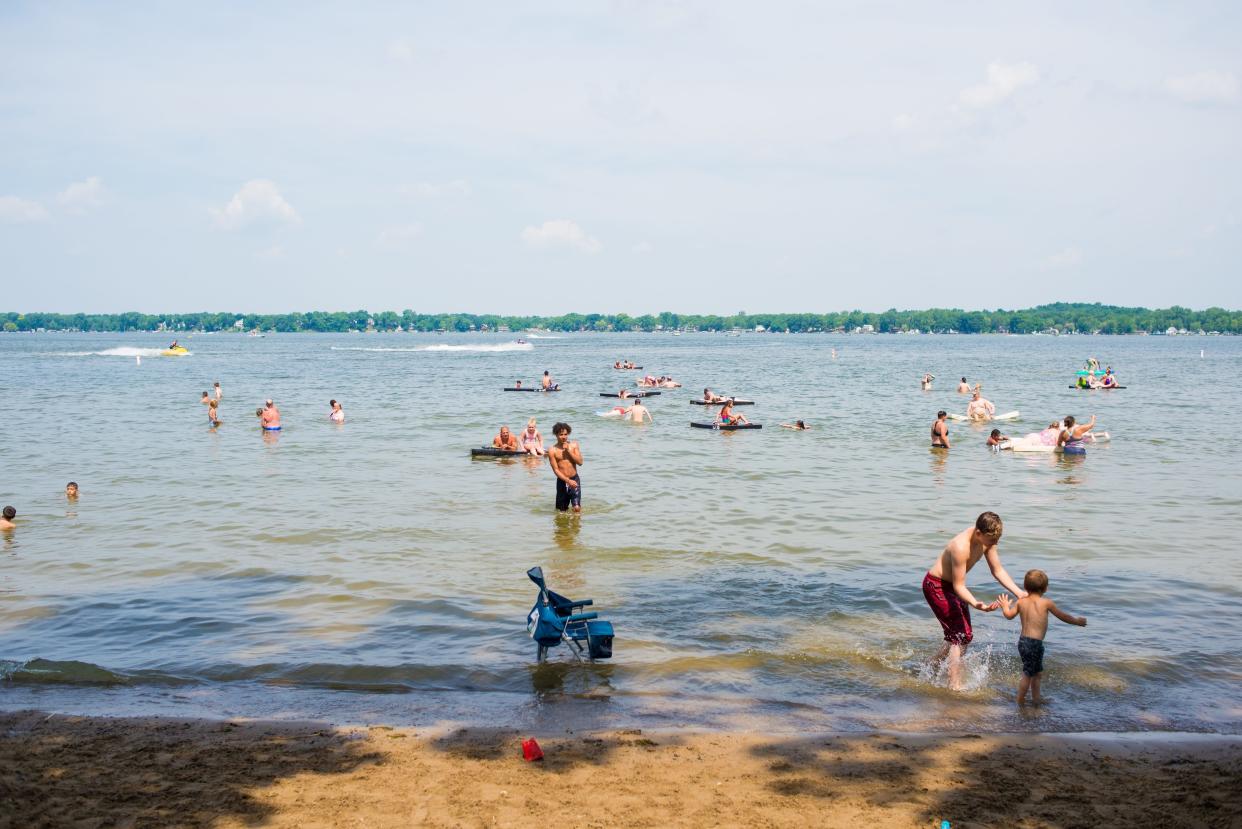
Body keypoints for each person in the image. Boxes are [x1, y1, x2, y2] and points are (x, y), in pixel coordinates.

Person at [923, 512, 1026, 690]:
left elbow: (998, 570)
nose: (995, 543)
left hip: (953, 586)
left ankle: (930, 666)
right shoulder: (960, 547)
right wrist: (976, 603)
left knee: (963, 636)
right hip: (936, 586)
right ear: (979, 533)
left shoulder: (988, 540)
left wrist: (1019, 592)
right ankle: (954, 685)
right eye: (992, 540)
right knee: (959, 635)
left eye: (997, 539)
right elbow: (959, 586)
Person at [997, 570, 1087, 705]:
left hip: (1023, 642)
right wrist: (1077, 621)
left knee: (1036, 673)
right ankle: (1020, 700)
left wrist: (1005, 606)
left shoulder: (1021, 602)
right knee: (1028, 674)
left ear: (1025, 587)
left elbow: (1009, 615)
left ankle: (1035, 699)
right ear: (1045, 588)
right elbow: (1063, 616)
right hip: (1035, 644)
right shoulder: (1047, 603)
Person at [547, 422, 583, 513]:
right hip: (562, 481)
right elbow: (555, 470)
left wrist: (569, 451)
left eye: (566, 434)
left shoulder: (574, 445)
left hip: (574, 479)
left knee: (577, 508)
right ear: (556, 435)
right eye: (561, 434)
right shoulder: (552, 450)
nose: (563, 437)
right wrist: (567, 480)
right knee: (562, 511)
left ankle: (576, 526)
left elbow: (580, 462)